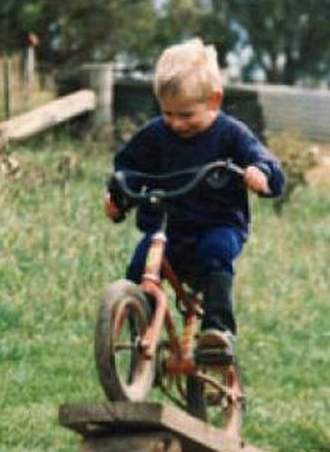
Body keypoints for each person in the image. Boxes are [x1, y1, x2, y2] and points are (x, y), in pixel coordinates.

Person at [104, 38, 285, 359]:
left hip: (217, 225)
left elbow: (263, 160)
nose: (176, 123)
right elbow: (129, 168)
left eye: (186, 114)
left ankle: (217, 330)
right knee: (139, 265)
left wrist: (260, 173)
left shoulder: (231, 134)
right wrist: (119, 197)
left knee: (215, 251)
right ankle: (139, 337)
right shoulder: (156, 134)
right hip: (166, 229)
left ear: (214, 100)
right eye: (168, 113)